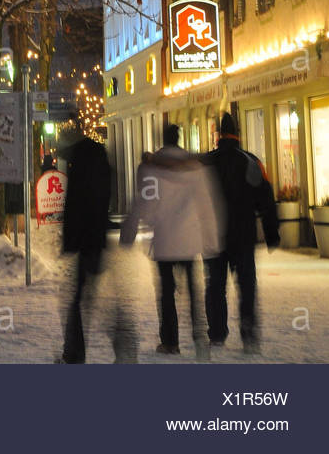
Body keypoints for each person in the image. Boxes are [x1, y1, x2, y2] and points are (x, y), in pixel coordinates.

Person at [120, 123, 221, 360]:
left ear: (164, 140)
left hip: (165, 239)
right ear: (179, 139)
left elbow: (142, 201)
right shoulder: (195, 167)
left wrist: (129, 231)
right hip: (189, 240)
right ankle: (200, 338)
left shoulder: (151, 168)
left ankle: (170, 341)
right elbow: (206, 204)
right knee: (195, 292)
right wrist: (211, 239)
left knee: (166, 292)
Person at [59, 120, 135, 364]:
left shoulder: (80, 164)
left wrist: (69, 239)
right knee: (92, 298)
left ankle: (76, 354)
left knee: (81, 299)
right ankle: (122, 347)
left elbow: (75, 206)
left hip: (85, 239)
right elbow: (103, 198)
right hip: (95, 237)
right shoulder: (97, 160)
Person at [203, 112, 279, 354]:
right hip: (243, 235)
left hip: (213, 235)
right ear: (238, 134)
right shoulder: (250, 161)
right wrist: (271, 233)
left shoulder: (206, 162)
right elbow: (266, 199)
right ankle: (248, 334)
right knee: (246, 285)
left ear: (218, 135)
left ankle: (216, 333)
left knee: (215, 285)